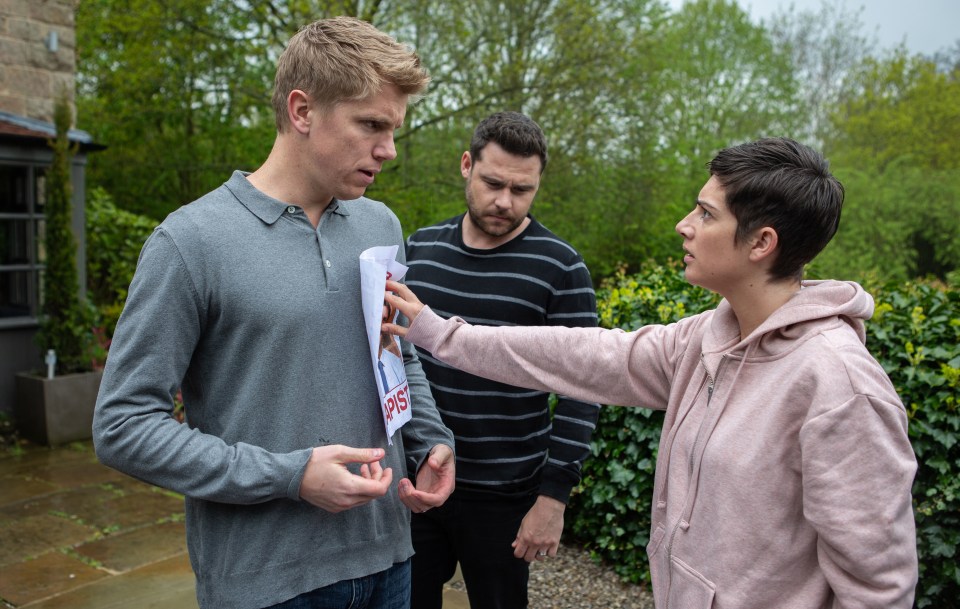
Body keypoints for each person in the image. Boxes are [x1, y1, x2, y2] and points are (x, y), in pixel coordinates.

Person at [386, 137, 919, 609]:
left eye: (706, 215)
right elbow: (582, 355)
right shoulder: (705, 339)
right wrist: (439, 333)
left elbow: (878, 587)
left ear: (761, 243)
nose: (683, 225)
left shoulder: (841, 386)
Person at [93, 16, 455, 609]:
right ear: (302, 110)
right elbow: (123, 426)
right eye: (371, 125)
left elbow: (397, 351)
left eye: (393, 129)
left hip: (389, 558)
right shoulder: (191, 242)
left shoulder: (380, 225)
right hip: (265, 583)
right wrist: (288, 476)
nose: (388, 150)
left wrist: (429, 439)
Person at [403, 111, 600, 609]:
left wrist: (552, 500)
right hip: (419, 480)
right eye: (493, 182)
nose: (504, 201)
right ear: (466, 165)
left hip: (504, 492)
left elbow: (583, 390)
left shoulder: (561, 267)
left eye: (522, 189)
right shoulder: (419, 249)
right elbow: (392, 360)